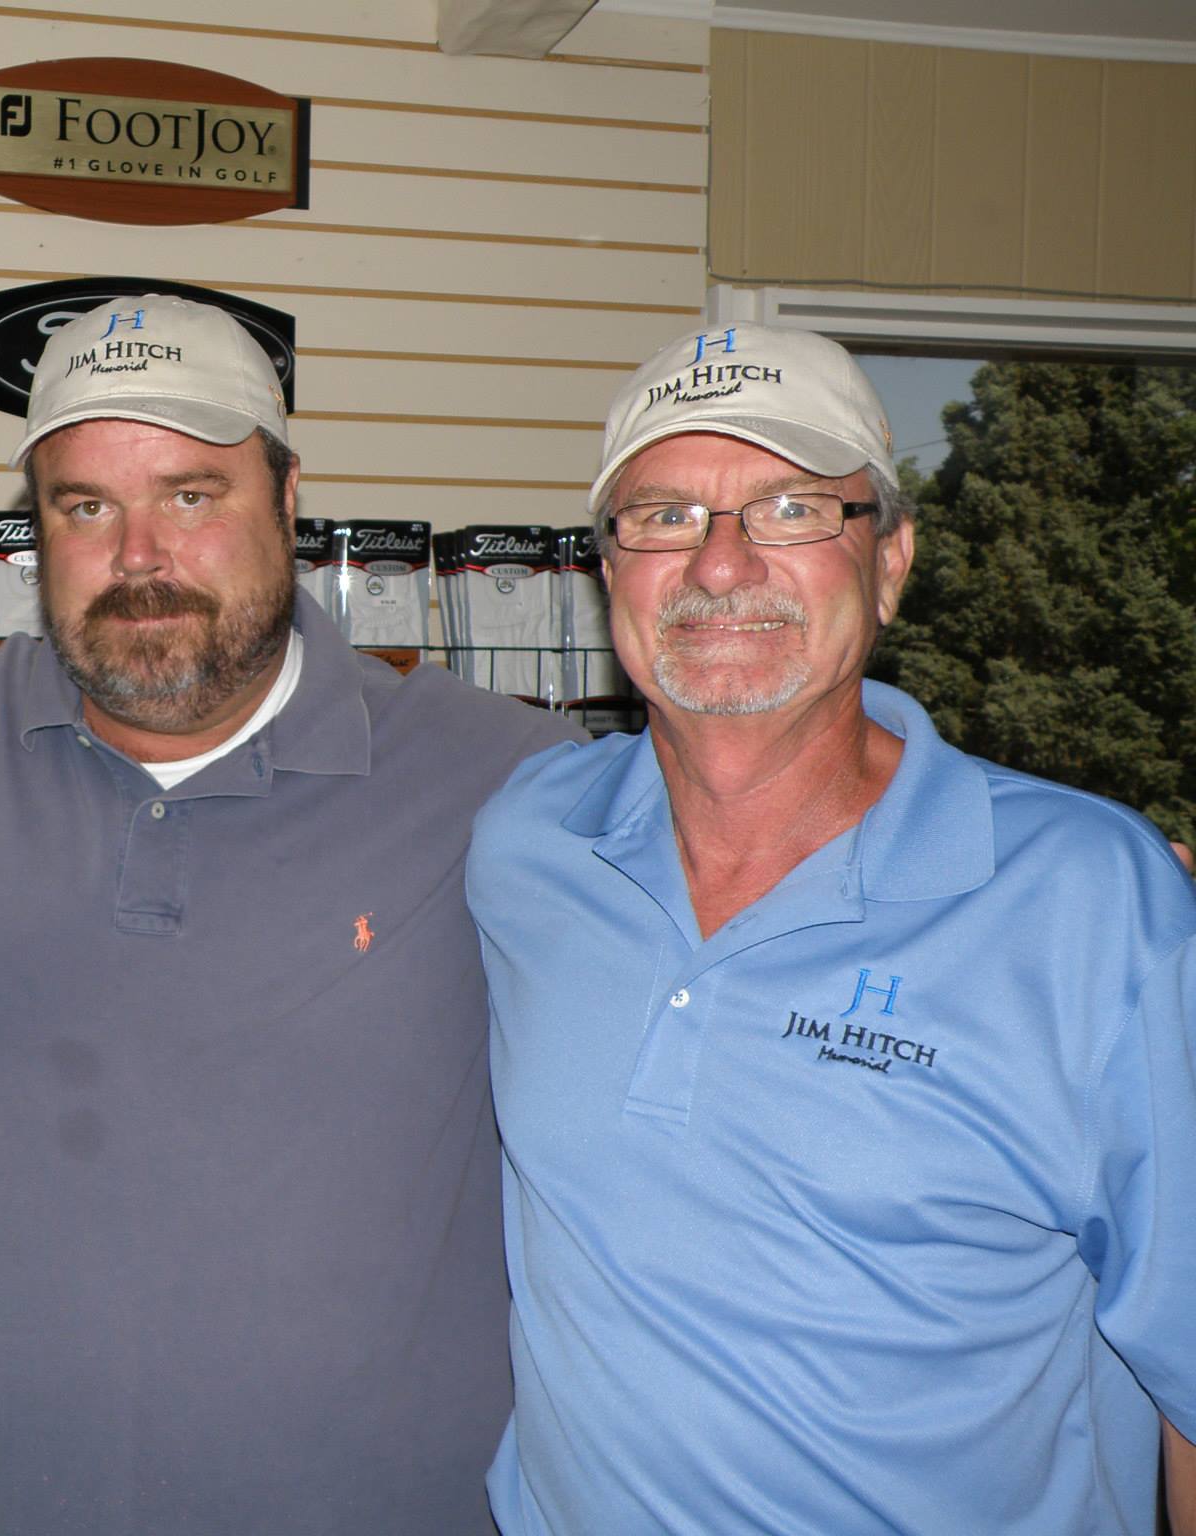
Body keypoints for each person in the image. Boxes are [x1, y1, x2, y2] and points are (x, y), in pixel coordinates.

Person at [0, 294, 581, 1534]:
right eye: (85, 507)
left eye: (191, 495)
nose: (138, 555)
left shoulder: (506, 778)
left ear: (287, 498)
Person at [469, 322, 1196, 1535]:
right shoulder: (529, 845)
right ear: (607, 573)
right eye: (662, 517)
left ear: (889, 561)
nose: (718, 566)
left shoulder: (1090, 903)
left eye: (791, 510)